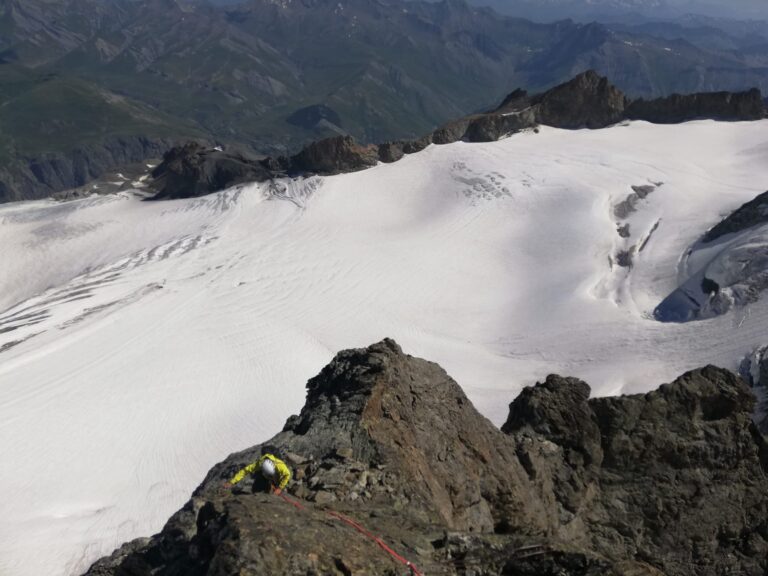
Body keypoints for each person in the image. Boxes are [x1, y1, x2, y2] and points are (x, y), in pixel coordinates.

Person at [223, 452, 292, 495]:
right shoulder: (258, 465)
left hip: (278, 473)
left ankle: (282, 487)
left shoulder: (280, 466)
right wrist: (232, 482)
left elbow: (287, 474)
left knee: (282, 481)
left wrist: (280, 488)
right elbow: (245, 471)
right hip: (264, 474)